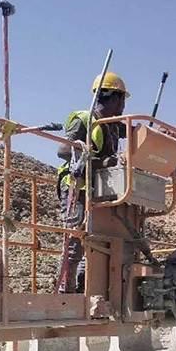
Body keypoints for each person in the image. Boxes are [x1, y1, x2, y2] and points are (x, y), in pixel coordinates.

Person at [55, 71, 128, 293]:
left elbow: (135, 132)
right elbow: (63, 150)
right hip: (77, 187)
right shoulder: (85, 120)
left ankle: (81, 291)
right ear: (115, 98)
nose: (124, 106)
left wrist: (161, 133)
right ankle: (64, 295)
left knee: (96, 243)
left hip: (99, 189)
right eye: (123, 100)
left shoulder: (113, 124)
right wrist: (99, 159)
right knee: (76, 244)